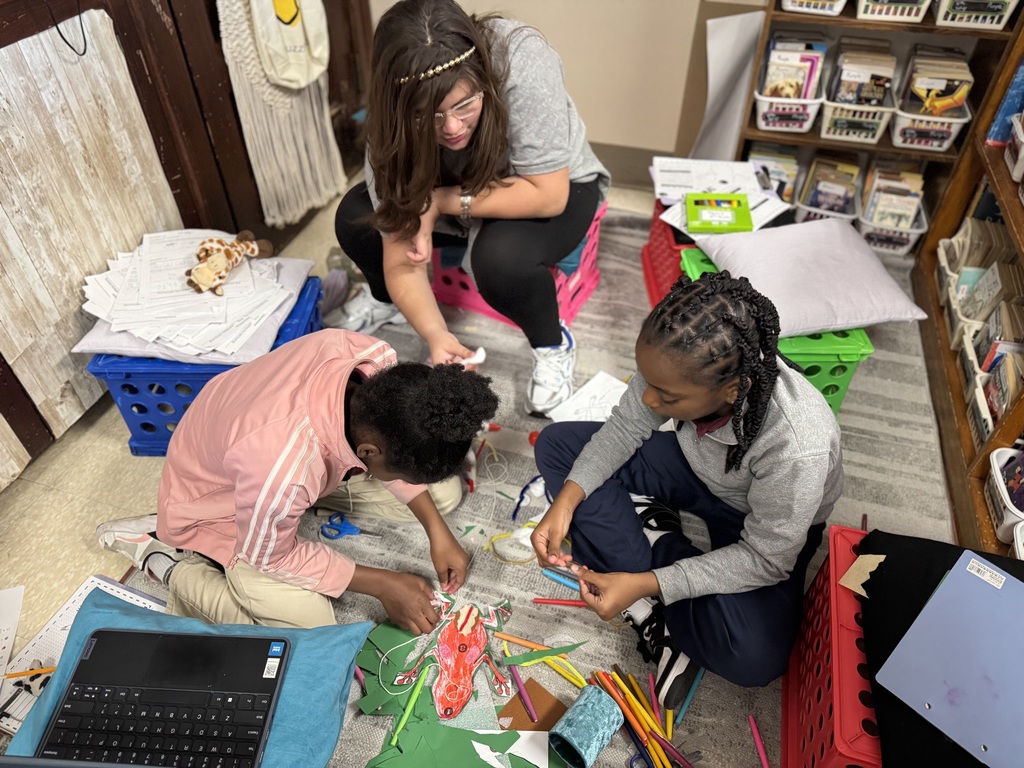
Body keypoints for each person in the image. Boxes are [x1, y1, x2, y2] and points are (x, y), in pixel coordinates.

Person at [529, 272, 843, 707]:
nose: (649, 401)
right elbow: (624, 429)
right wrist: (565, 502)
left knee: (755, 658)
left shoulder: (796, 446)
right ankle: (652, 578)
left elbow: (767, 559)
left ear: (735, 389)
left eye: (668, 398)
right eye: (647, 381)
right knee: (558, 446)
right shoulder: (675, 361)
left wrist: (648, 583)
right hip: (697, 471)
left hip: (762, 527)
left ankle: (654, 556)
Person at [97, 329, 499, 634]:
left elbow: (396, 446)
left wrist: (438, 532)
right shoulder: (282, 470)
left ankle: (297, 506)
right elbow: (271, 555)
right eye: (395, 472)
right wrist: (383, 584)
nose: (398, 480)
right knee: (310, 628)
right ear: (370, 454)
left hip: (267, 464)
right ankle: (165, 561)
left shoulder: (375, 360)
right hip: (216, 499)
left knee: (442, 496)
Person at [331, 0, 610, 417]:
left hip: (544, 185)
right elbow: (401, 256)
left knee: (501, 260)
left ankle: (552, 343)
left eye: (465, 106)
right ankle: (383, 301)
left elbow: (549, 194)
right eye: (430, 116)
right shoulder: (391, 125)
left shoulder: (521, 58)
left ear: (483, 80)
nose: (452, 128)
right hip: (455, 188)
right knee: (356, 218)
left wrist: (439, 201)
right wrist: (436, 335)